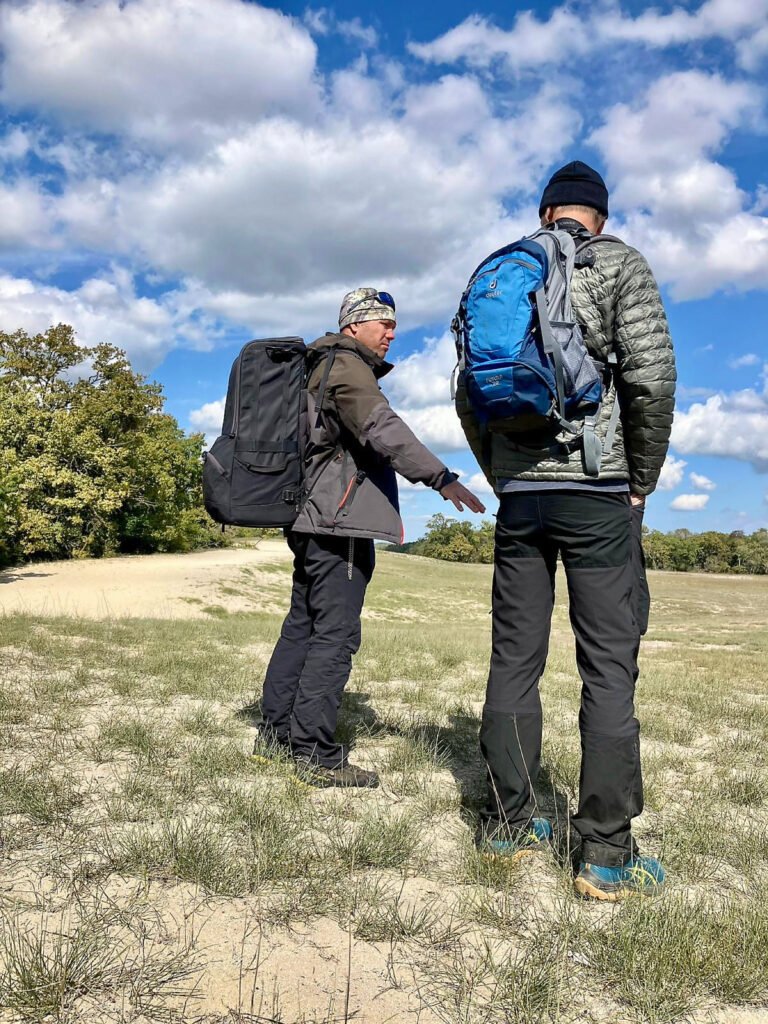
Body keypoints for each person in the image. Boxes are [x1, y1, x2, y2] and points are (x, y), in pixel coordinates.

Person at [455, 161, 676, 900]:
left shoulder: (502, 267)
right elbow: (651, 378)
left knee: (513, 658)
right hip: (597, 493)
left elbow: (466, 389)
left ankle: (511, 823)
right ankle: (606, 854)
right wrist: (638, 478)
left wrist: (501, 476)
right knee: (608, 666)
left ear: (546, 211)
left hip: (522, 497)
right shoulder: (618, 264)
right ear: (598, 218)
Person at [260, 288, 485, 788]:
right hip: (337, 521)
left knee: (303, 624)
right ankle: (313, 753)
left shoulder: (317, 366)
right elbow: (382, 426)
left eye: (393, 324)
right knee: (334, 635)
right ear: (352, 326)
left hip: (311, 517)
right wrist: (440, 476)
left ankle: (275, 737)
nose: (391, 332)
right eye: (381, 323)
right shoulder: (345, 366)